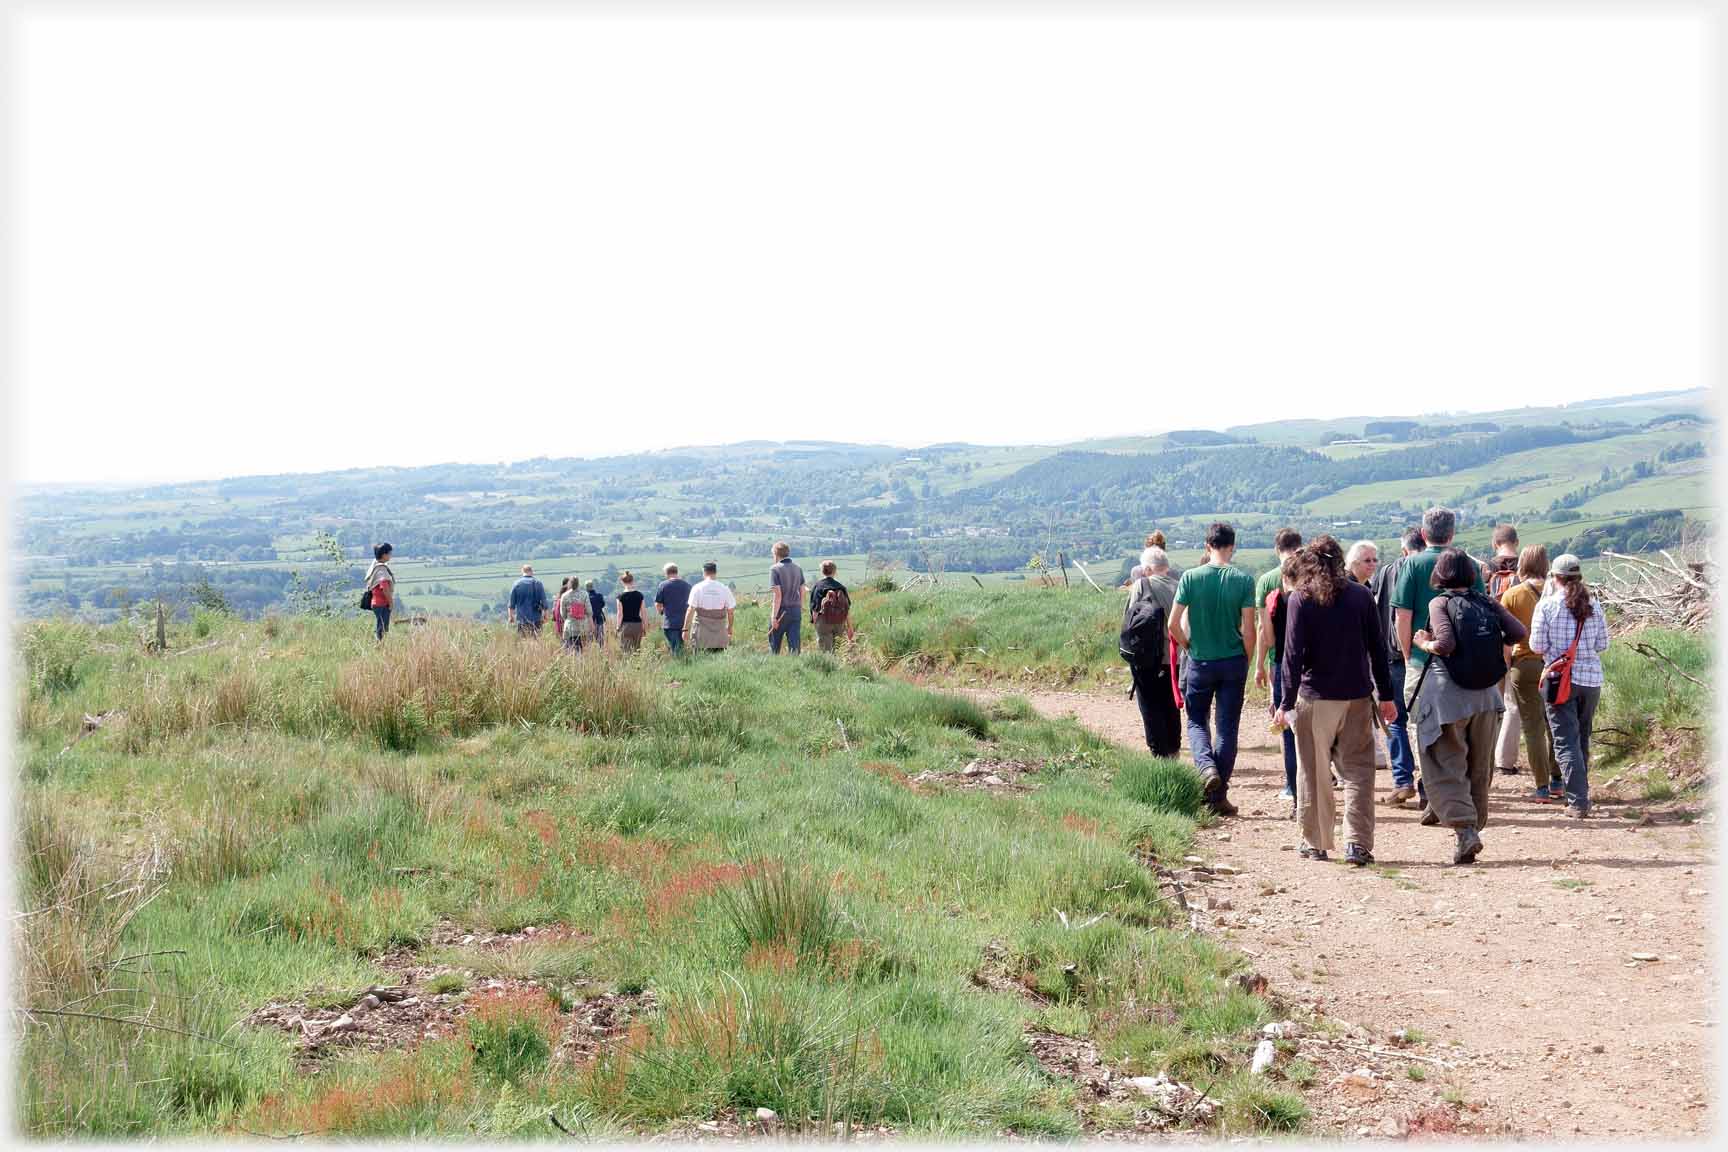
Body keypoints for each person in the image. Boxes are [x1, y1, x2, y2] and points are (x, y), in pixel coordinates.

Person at [1275, 536, 1397, 866]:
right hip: (1357, 695)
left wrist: (1285, 703)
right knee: (1359, 772)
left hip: (1315, 697)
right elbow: (1377, 649)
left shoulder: (1301, 598)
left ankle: (1315, 842)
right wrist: (1386, 695)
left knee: (1314, 771)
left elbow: (1292, 655)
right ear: (1341, 560)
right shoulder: (1361, 595)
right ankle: (1357, 843)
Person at [1409, 548, 1527, 863]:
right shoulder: (1485, 601)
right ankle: (1456, 815)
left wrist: (1423, 643)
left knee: (1444, 760)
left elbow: (1445, 644)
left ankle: (1464, 830)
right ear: (1471, 574)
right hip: (1487, 695)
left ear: (1440, 574)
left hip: (1449, 697)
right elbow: (1518, 632)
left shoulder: (1440, 603)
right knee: (1478, 766)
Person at [1393, 508, 1483, 823]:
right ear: (1452, 533)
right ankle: (1453, 798)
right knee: (1461, 733)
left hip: (1423, 661)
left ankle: (1431, 793)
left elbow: (1402, 617)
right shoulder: (1469, 564)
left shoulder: (1412, 564)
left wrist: (1408, 655)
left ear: (1423, 533)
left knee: (1422, 731)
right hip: (1464, 663)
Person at [1169, 522, 1258, 817]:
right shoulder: (1244, 580)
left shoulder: (1190, 577)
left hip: (1200, 661)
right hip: (1233, 661)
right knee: (1227, 727)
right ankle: (1218, 796)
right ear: (1232, 546)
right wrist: (1246, 660)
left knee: (1196, 721)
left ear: (1207, 546)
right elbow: (1249, 630)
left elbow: (1173, 623)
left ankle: (1206, 768)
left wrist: (1188, 646)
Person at [1529, 553, 1610, 818]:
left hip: (1559, 681)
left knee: (1565, 742)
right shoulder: (1594, 606)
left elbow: (1536, 646)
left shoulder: (1547, 606)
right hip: (1591, 680)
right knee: (1581, 738)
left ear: (1555, 577)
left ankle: (1577, 801)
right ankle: (1580, 793)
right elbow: (1602, 644)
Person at [1501, 546, 1558, 800]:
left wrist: (1506, 668)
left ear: (1522, 563)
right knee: (1556, 723)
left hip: (1524, 664)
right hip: (1555, 665)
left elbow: (1505, 640)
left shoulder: (1512, 595)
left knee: (1533, 728)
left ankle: (1542, 786)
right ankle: (1558, 780)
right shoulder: (1558, 592)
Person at [1372, 527, 1424, 806]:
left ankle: (1403, 781)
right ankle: (1429, 786)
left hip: (1393, 656)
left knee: (1396, 721)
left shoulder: (1386, 572)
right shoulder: (1434, 569)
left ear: (1404, 549)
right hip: (1428, 658)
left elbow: (1378, 611)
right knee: (1428, 724)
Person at [1253, 528, 1302, 806]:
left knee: (1287, 726)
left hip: (1281, 660)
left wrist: (1260, 664)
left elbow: (1265, 631)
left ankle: (1294, 788)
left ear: (1276, 549)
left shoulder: (1266, 580)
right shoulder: (1313, 572)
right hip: (1313, 661)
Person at [1121, 546, 1183, 757]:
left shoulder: (1141, 584)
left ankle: (1159, 755)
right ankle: (1174, 751)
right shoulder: (1179, 587)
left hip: (1147, 658)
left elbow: (1130, 620)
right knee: (1171, 706)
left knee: (1150, 706)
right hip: (1175, 658)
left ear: (1147, 569)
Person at [1485, 525, 1524, 776]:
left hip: (1490, 643)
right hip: (1518, 641)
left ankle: (1486, 753)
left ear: (1494, 543)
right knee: (1512, 703)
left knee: (1490, 702)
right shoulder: (1525, 567)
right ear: (1516, 542)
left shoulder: (1486, 569)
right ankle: (1505, 758)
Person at [685, 561, 736, 652]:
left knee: (700, 658)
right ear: (715, 573)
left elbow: (690, 610)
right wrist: (730, 628)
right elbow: (731, 612)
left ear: (704, 572)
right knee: (719, 659)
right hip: (719, 635)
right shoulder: (724, 589)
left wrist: (685, 630)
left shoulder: (697, 588)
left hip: (701, 634)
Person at [808, 560, 856, 653]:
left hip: (823, 621)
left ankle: (828, 662)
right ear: (835, 571)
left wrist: (815, 624)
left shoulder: (818, 586)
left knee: (825, 651)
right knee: (837, 649)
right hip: (840, 621)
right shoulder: (841, 587)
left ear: (822, 571)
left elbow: (815, 609)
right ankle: (836, 662)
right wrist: (850, 627)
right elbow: (847, 609)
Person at [768, 542, 806, 655]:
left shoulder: (775, 569)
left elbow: (778, 595)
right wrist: (800, 606)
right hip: (795, 610)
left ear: (775, 554)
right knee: (794, 646)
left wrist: (773, 617)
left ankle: (774, 664)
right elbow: (802, 590)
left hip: (781, 611)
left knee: (774, 646)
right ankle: (795, 665)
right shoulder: (798, 568)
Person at [654, 564, 692, 654]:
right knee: (685, 649)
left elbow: (658, 604)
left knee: (675, 650)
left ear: (666, 573)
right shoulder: (687, 585)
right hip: (685, 623)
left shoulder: (663, 585)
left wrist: (661, 612)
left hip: (670, 624)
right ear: (677, 572)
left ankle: (678, 662)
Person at [362, 543, 396, 641]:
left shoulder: (376, 566)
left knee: (381, 627)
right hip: (381, 604)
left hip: (377, 603)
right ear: (384, 555)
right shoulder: (381, 570)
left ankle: (380, 644)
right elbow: (384, 588)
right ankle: (379, 645)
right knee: (382, 628)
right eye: (389, 553)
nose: (390, 555)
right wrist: (391, 602)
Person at [508, 564, 550, 637]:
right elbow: (544, 602)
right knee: (537, 640)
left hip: (522, 619)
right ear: (531, 571)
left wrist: (511, 616)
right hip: (536, 619)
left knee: (523, 641)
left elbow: (511, 604)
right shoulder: (538, 583)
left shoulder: (516, 584)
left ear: (522, 571)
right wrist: (546, 615)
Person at [615, 571, 646, 653]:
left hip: (626, 625)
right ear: (633, 581)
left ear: (622, 582)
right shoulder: (640, 595)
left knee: (626, 651)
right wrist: (644, 626)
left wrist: (618, 627)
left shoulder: (620, 597)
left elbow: (620, 614)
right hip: (637, 625)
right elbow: (643, 612)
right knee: (637, 650)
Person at [558, 578, 589, 652]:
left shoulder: (564, 596)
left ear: (570, 584)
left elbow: (563, 614)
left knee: (571, 648)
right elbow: (589, 610)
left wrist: (568, 618)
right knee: (582, 648)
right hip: (582, 626)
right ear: (578, 584)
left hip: (570, 626)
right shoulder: (584, 594)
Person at [552, 577, 571, 641]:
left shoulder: (557, 597)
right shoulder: (566, 597)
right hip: (565, 624)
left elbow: (554, 614)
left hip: (559, 625)